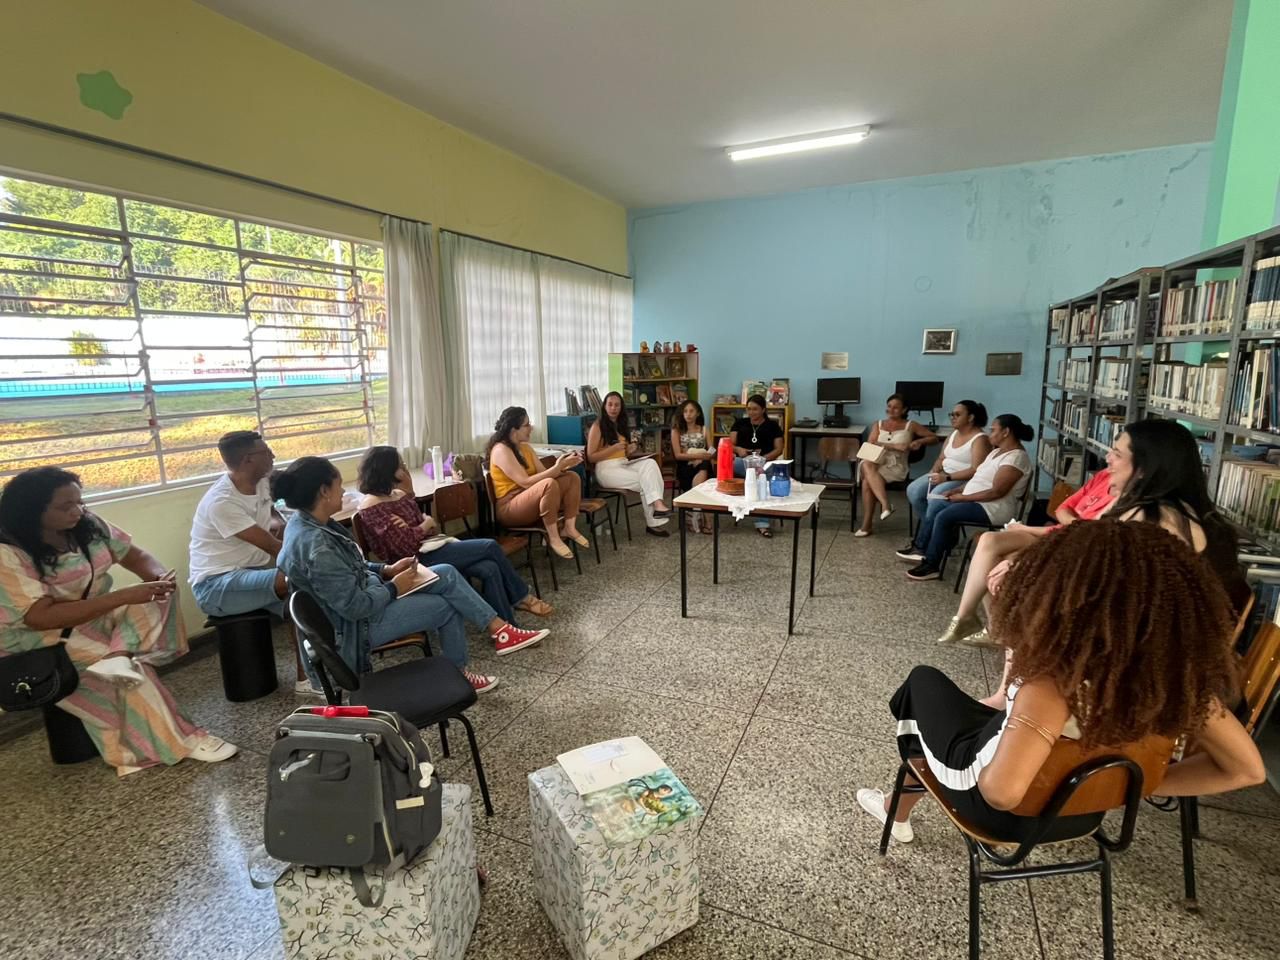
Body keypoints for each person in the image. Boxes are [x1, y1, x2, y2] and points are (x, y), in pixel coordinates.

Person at [857, 520, 1265, 847]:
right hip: (1081, 810)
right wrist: (1126, 787)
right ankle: (895, 806)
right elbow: (1247, 770)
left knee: (921, 684)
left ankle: (896, 811)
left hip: (1004, 814)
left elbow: (1001, 792)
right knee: (972, 712)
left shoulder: (1052, 685)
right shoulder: (1177, 680)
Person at [976, 419, 1251, 710]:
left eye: (1118, 454)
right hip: (1155, 639)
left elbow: (1095, 572)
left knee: (1037, 611)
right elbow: (1083, 548)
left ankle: (1016, 701)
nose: (1108, 459)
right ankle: (1011, 697)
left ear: (1145, 467)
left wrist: (1025, 569)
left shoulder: (1153, 517)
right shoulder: (1176, 510)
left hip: (1150, 653)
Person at [0, 467, 237, 775]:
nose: (77, 511)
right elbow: (38, 617)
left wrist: (158, 579)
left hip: (92, 616)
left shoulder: (87, 525)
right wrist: (122, 597)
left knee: (157, 596)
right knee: (133, 676)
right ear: (33, 510)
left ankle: (118, 655)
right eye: (65, 506)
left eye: (79, 502)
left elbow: (135, 556)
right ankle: (185, 740)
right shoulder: (9, 552)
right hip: (39, 638)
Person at [276, 457, 550, 695]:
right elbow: (356, 607)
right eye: (338, 485)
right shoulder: (316, 546)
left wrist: (385, 570)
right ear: (324, 491)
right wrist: (394, 587)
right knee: (446, 607)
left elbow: (353, 565)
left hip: (369, 597)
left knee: (445, 572)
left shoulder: (311, 524)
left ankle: (500, 631)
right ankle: (459, 673)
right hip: (356, 629)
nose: (343, 491)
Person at [355, 445, 553, 624]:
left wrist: (416, 527)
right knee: (490, 546)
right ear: (386, 471)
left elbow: (430, 528)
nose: (405, 469)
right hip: (414, 561)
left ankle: (507, 627)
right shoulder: (371, 507)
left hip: (433, 546)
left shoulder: (397, 494)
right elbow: (404, 547)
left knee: (490, 567)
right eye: (400, 466)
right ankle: (521, 597)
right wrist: (423, 525)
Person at [935, 466, 1116, 644]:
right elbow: (1062, 509)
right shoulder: (1103, 476)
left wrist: (1026, 528)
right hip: (1057, 533)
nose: (1109, 457)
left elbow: (1084, 534)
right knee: (988, 540)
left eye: (1116, 454)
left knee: (998, 558)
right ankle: (968, 617)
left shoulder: (1121, 501)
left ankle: (994, 629)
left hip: (1066, 543)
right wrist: (1075, 524)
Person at [901, 414, 1033, 581]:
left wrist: (963, 498)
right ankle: (930, 548)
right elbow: (978, 479)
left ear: (1006, 432)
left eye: (993, 430)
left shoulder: (1016, 458)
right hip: (977, 501)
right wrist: (957, 490)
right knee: (937, 505)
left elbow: (997, 492)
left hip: (992, 508)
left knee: (944, 516)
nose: (990, 434)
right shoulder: (996, 452)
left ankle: (932, 564)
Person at [189, 431, 287, 619]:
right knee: (300, 577)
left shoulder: (262, 482)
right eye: (267, 452)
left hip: (251, 572)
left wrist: (278, 521)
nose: (273, 456)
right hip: (215, 585)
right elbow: (273, 547)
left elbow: (272, 508)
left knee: (305, 599)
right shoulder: (222, 502)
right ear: (248, 460)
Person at [487, 407, 586, 559]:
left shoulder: (525, 448)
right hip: (510, 507)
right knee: (549, 484)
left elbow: (543, 474)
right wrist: (556, 468)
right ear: (514, 430)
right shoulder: (501, 450)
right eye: (527, 425)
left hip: (529, 499)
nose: (531, 428)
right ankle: (554, 537)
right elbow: (525, 482)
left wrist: (564, 466)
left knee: (572, 477)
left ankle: (569, 528)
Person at [587, 391, 673, 538]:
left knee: (650, 464)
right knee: (647, 481)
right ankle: (654, 519)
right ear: (604, 406)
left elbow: (622, 453)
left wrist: (629, 450)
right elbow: (591, 457)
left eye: (617, 405)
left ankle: (657, 507)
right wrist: (613, 449)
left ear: (621, 407)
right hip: (605, 469)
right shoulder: (598, 426)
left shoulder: (621, 425)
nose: (613, 408)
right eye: (610, 404)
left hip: (622, 463)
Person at [902, 400, 991, 538]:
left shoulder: (980, 439)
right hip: (944, 474)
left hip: (964, 479)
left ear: (970, 417)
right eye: (951, 414)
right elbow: (941, 458)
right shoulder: (953, 434)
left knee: (936, 496)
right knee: (913, 490)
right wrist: (933, 471)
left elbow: (976, 470)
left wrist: (947, 478)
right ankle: (938, 529)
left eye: (957, 415)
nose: (952, 418)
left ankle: (929, 536)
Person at [856, 394, 938, 538]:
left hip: (896, 465)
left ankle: (867, 525)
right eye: (889, 406)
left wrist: (919, 442)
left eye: (896, 407)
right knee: (867, 464)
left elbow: (934, 438)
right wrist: (893, 446)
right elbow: (870, 444)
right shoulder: (878, 424)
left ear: (904, 409)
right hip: (877, 461)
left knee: (867, 481)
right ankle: (885, 504)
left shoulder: (911, 425)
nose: (891, 410)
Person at [731, 394, 786, 538]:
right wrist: (739, 449)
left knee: (763, 476)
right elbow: (730, 444)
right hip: (743, 462)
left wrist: (762, 459)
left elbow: (779, 449)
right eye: (749, 409)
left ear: (763, 409)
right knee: (730, 465)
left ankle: (763, 523)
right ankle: (726, 509)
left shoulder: (773, 426)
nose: (751, 412)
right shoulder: (740, 423)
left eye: (755, 409)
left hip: (765, 462)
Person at [669, 400, 715, 534]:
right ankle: (707, 519)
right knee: (704, 468)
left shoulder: (704, 429)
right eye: (685, 411)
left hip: (703, 465)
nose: (688, 414)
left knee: (704, 465)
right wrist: (697, 456)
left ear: (698, 413)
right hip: (684, 468)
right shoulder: (677, 431)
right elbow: (678, 455)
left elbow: (712, 451)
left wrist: (703, 456)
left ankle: (695, 511)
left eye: (691, 411)